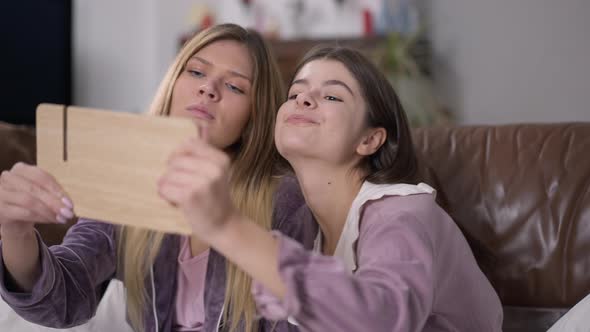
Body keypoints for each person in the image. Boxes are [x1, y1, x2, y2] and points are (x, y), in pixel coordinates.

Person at [159, 45, 504, 331]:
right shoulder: (303, 230)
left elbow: (380, 319)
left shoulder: (403, 214)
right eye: (295, 92)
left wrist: (227, 227)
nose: (303, 100)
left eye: (332, 97)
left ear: (370, 139)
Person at [0, 24, 304, 332]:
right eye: (197, 72)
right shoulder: (128, 180)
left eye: (235, 87)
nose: (208, 88)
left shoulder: (284, 199)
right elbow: (63, 299)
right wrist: (15, 231)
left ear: (255, 114)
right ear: (173, 83)